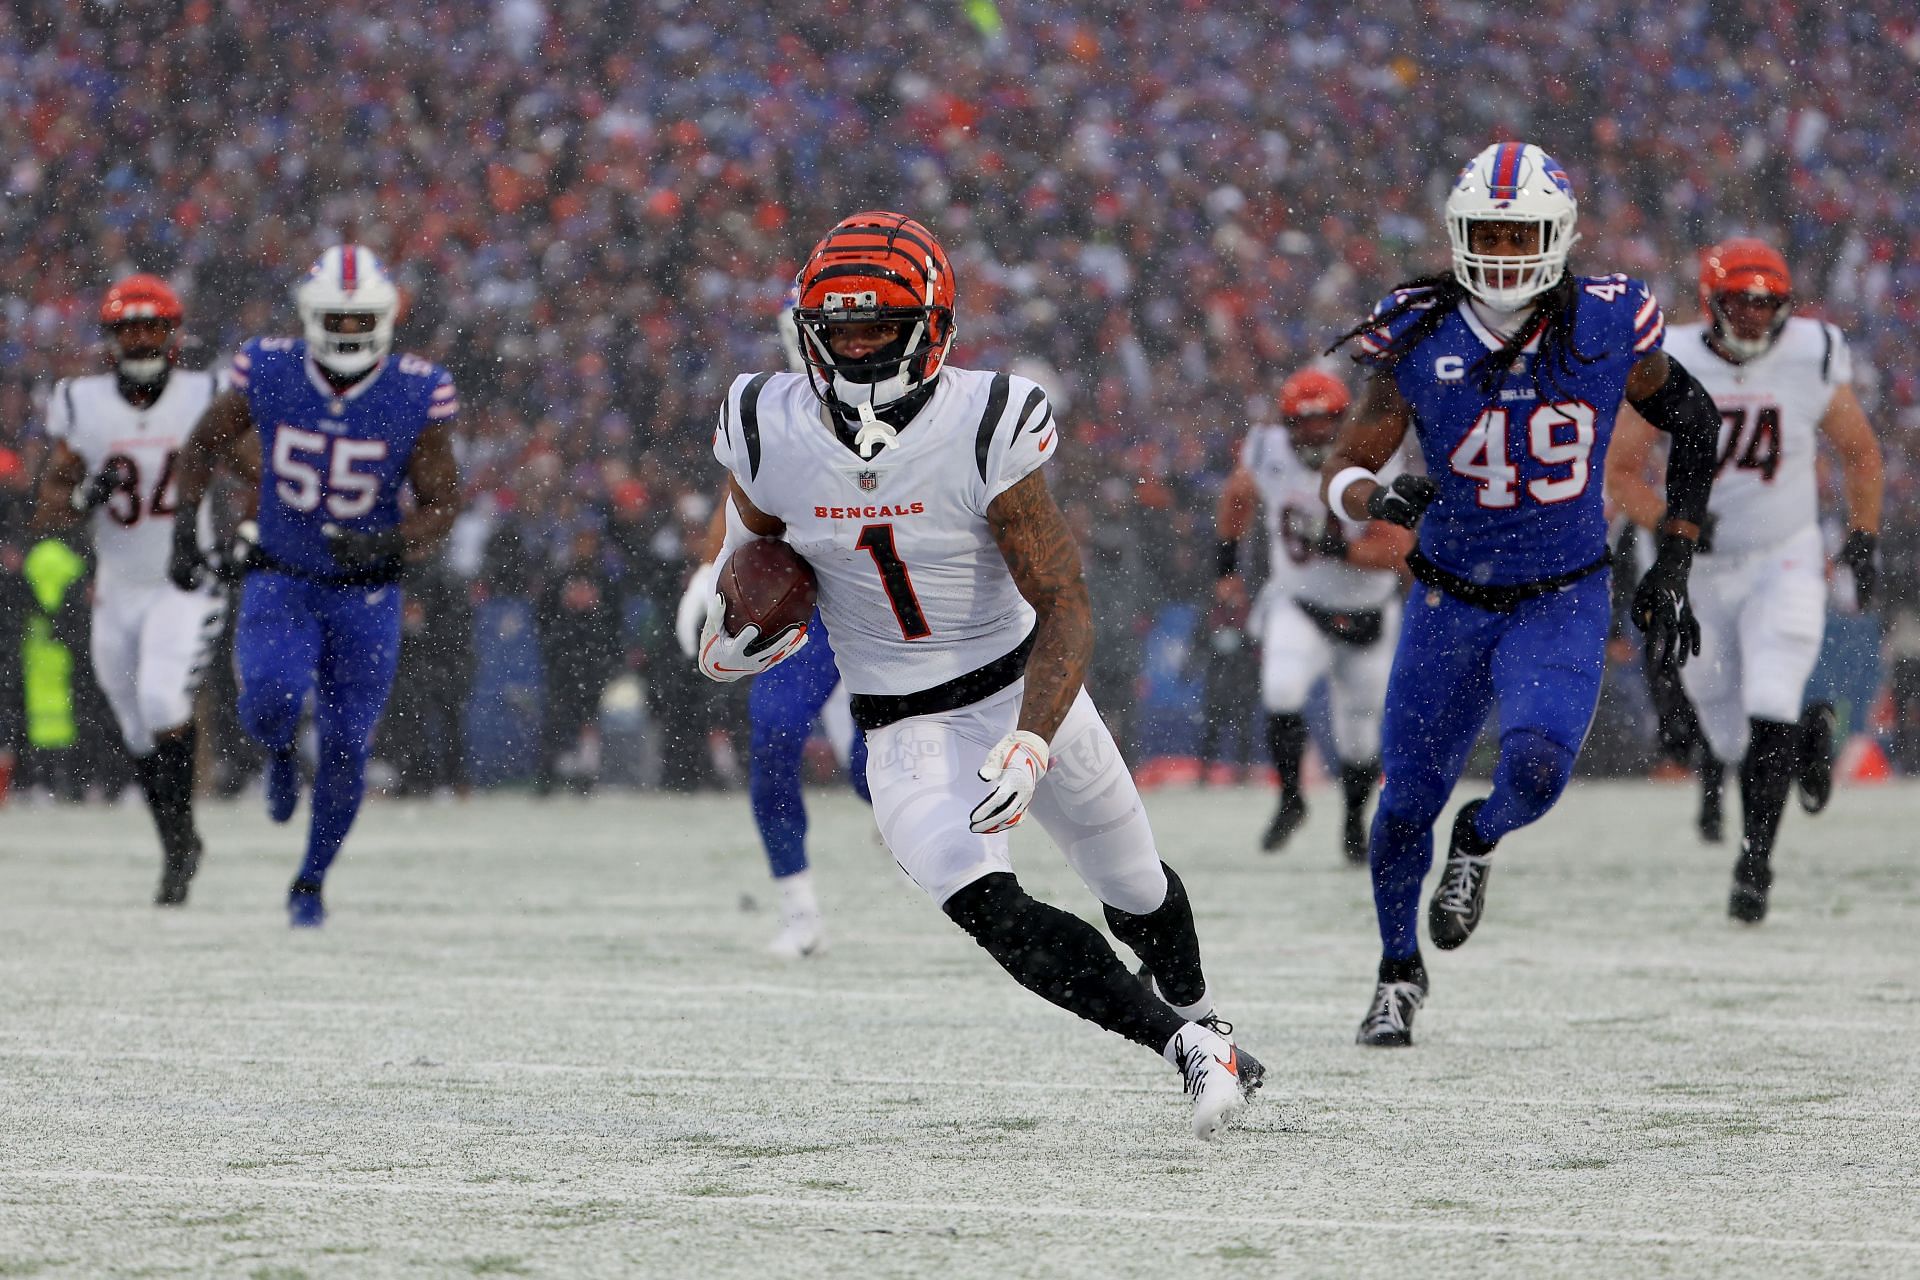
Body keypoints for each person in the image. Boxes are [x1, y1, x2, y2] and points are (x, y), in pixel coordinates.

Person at [696, 211, 1262, 1138]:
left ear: (934, 329)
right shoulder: (763, 424)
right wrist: (731, 625)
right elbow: (749, 551)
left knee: (1136, 888)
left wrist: (1033, 739)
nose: (855, 349)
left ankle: (1206, 1018)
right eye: (837, 331)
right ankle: (1183, 1048)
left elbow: (1066, 598)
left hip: (1018, 686)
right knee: (989, 909)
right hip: (899, 724)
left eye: (878, 328)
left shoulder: (988, 419)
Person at [1320, 143, 1722, 1047]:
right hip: (1449, 595)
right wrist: (1377, 498)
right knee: (1402, 804)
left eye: (1521, 233)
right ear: (1459, 235)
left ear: (1559, 237)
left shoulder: (1610, 319)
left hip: (1562, 592)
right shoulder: (1418, 330)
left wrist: (1678, 553)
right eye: (1487, 232)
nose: (1503, 252)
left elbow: (1696, 422)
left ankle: (1483, 836)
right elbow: (1343, 468)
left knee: (1537, 767)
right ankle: (1396, 973)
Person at [168, 245, 462, 927]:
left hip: (367, 590)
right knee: (267, 700)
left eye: (362, 320)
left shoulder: (418, 388)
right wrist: (185, 531)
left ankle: (311, 881)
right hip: (284, 573)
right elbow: (204, 444)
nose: (350, 333)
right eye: (338, 318)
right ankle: (275, 753)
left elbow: (443, 502)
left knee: (347, 746)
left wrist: (385, 540)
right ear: (310, 316)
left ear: (386, 318)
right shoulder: (268, 368)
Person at [1605, 238, 1883, 923]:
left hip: (1782, 554)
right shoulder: (1672, 359)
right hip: (1700, 569)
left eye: (1767, 305)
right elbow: (1619, 473)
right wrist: (1678, 524)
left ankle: (1755, 865)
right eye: (1741, 303)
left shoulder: (1811, 353)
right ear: (1711, 303)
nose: (1756, 318)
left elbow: (1860, 452)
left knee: (1770, 695)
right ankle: (1808, 742)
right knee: (1726, 732)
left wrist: (1863, 536)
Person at [675, 292, 872, 959]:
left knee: (880, 778)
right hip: (811, 607)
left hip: (891, 607)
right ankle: (799, 908)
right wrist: (711, 569)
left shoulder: (915, 404)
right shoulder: (776, 410)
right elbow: (741, 493)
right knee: (775, 733)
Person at [30, 276, 223, 904]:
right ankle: (178, 842)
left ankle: (178, 847)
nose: (141, 338)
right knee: (137, 726)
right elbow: (50, 504)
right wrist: (86, 494)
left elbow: (252, 468)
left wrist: (248, 527)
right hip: (118, 584)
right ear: (110, 338)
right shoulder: (83, 404)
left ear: (174, 334)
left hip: (183, 578)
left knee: (166, 701)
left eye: (153, 327)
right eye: (129, 328)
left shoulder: (205, 396)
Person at [1215, 367, 1413, 863]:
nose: (1314, 434)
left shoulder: (1376, 457)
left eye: (1324, 422)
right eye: (1303, 424)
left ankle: (1353, 822)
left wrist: (1336, 549)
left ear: (1344, 420)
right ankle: (1290, 798)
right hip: (1299, 601)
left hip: (1368, 609)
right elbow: (1238, 494)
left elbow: (1397, 548)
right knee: (1281, 690)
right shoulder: (1266, 448)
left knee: (1361, 734)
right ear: (1285, 424)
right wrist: (1225, 564)